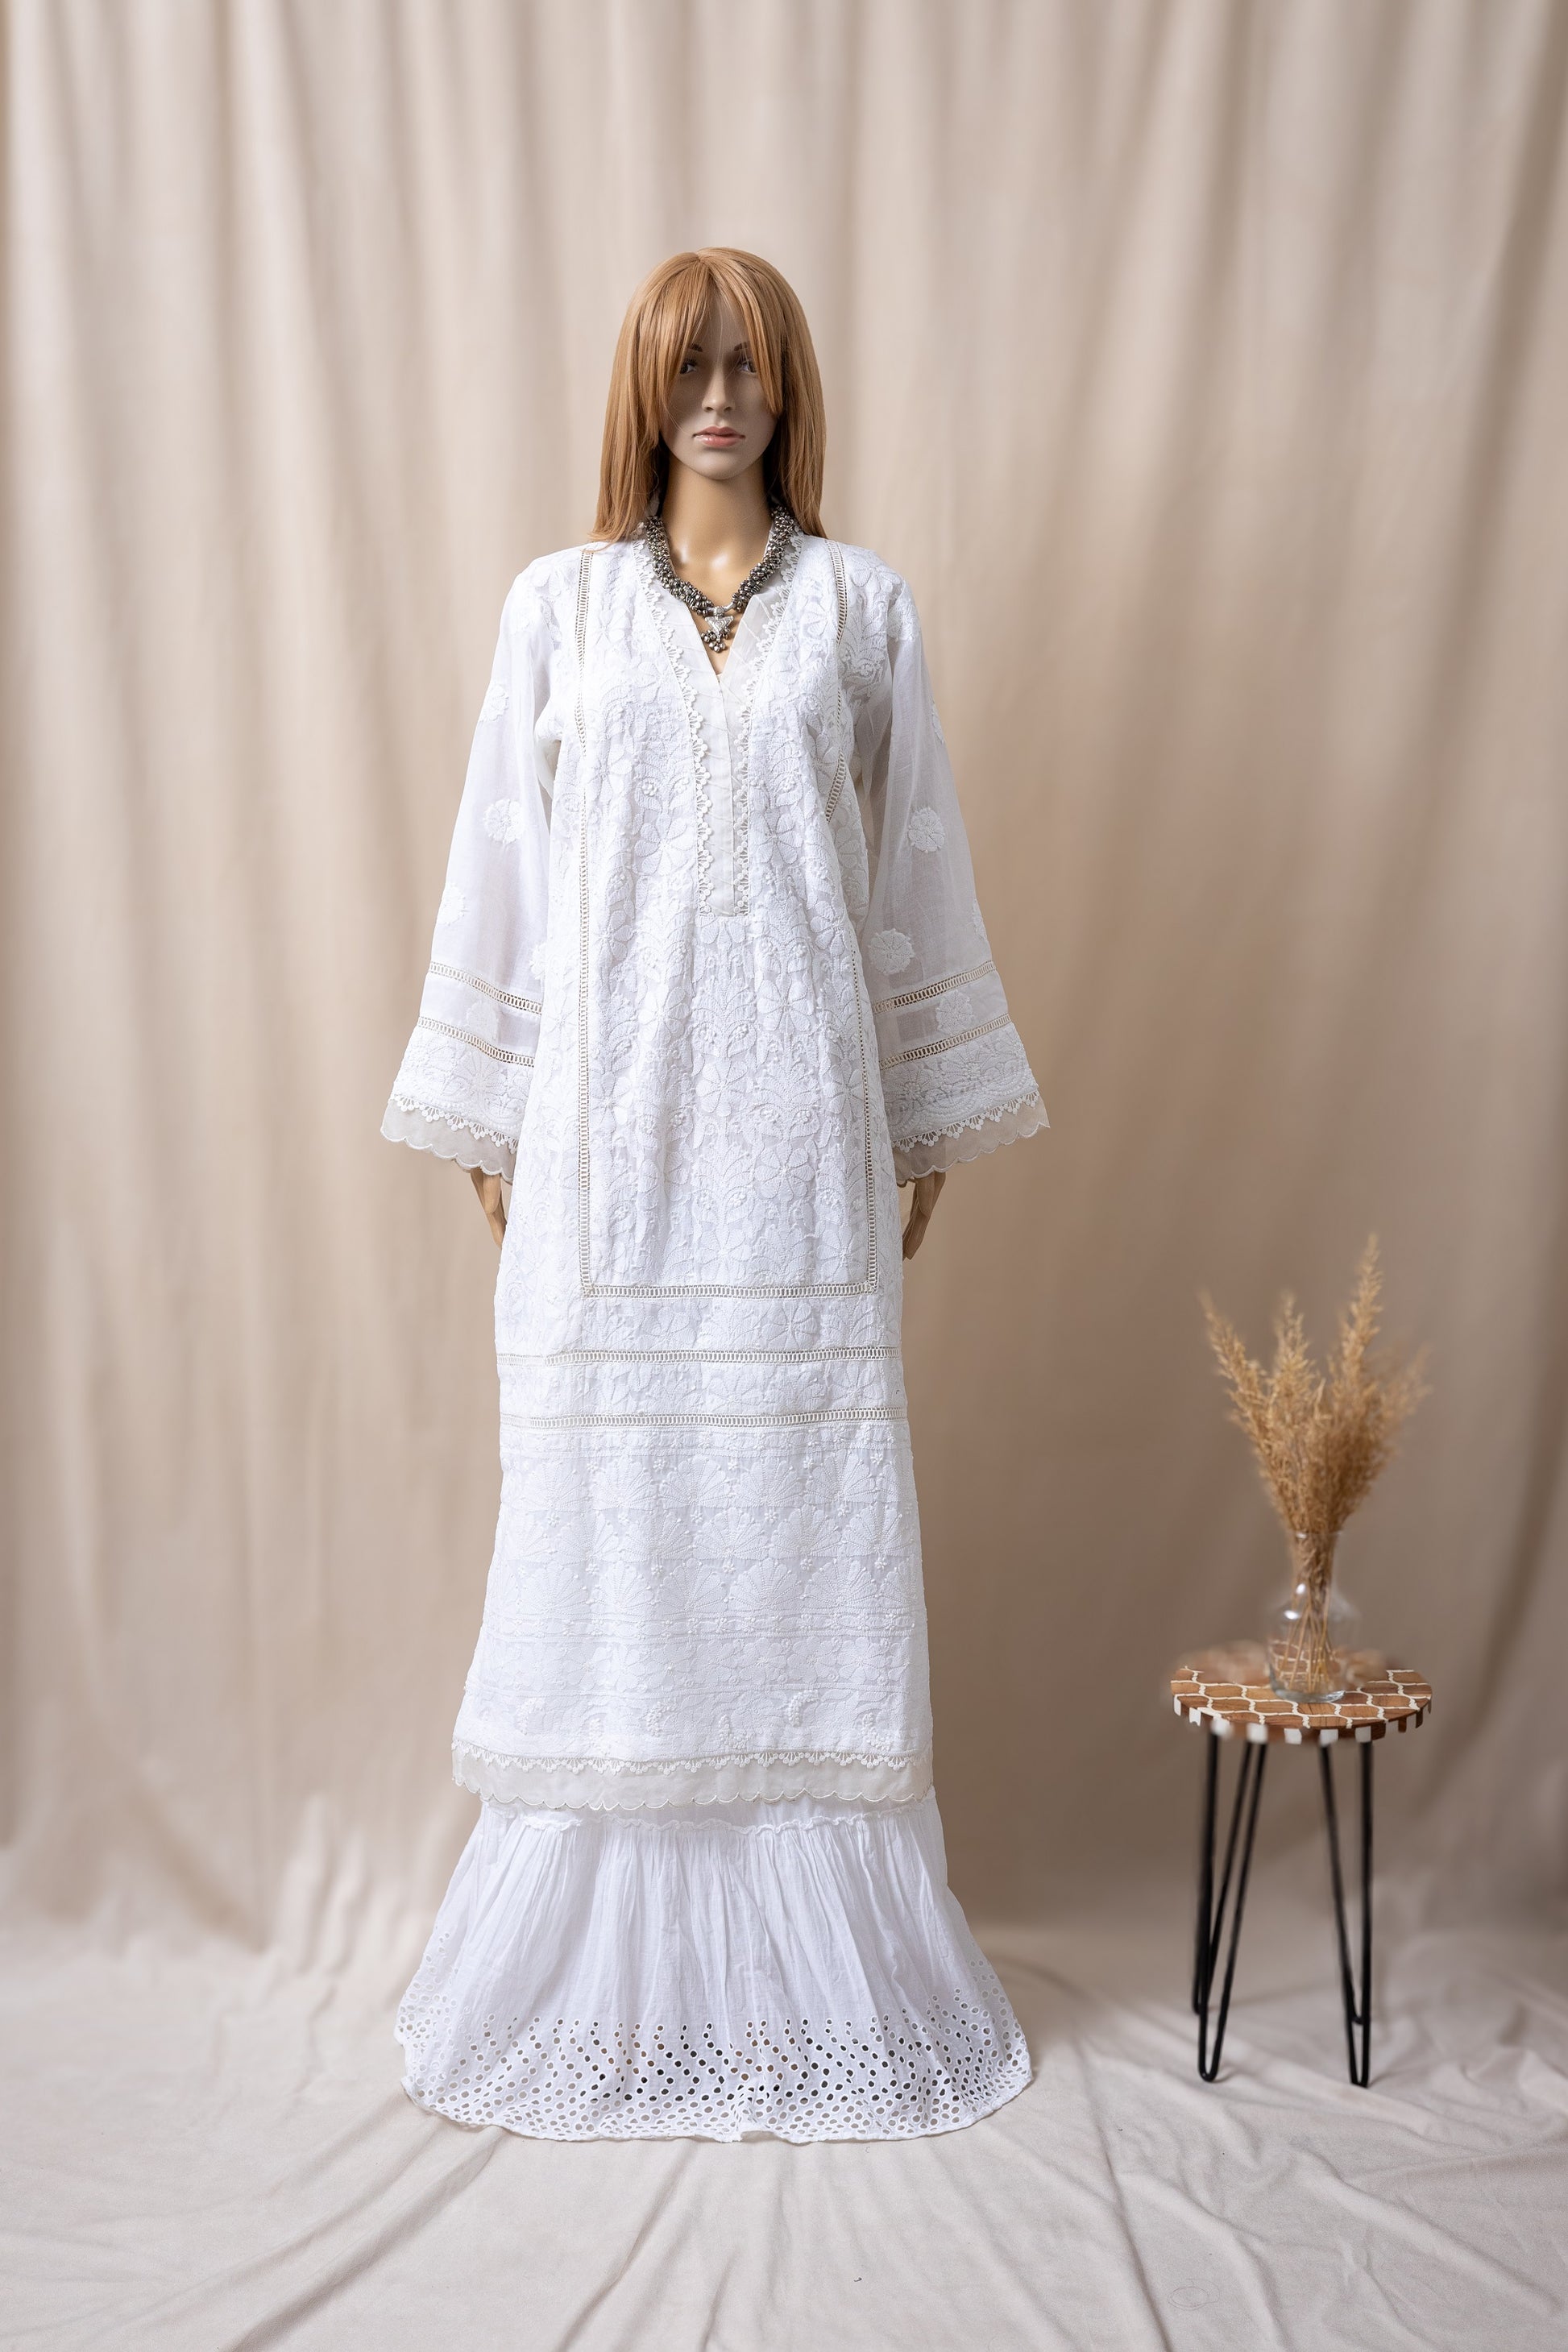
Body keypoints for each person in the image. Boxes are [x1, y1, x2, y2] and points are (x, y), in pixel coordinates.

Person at [383, 247, 1047, 2141]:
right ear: (646, 388)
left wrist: (921, 1115)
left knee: (799, 1534)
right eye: (689, 366)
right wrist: (496, 1115)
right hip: (611, 1162)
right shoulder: (560, 609)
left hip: (802, 1158)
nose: (720, 399)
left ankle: (820, 1977)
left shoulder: (862, 608)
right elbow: (503, 868)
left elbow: (912, 873)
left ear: (787, 388)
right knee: (613, 1539)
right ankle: (602, 1981)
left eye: (749, 365)